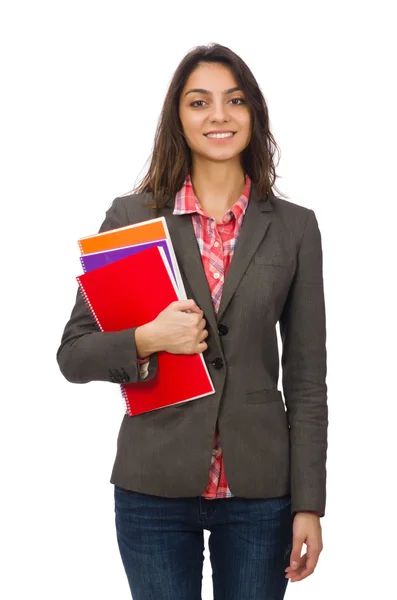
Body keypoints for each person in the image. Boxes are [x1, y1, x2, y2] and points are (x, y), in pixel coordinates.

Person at [56, 42, 328, 600]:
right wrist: (148, 338)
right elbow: (74, 353)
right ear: (178, 118)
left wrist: (309, 503)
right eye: (198, 102)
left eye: (234, 101)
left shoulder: (296, 228)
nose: (219, 116)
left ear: (254, 113)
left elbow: (306, 382)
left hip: (260, 491)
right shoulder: (132, 216)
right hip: (153, 485)